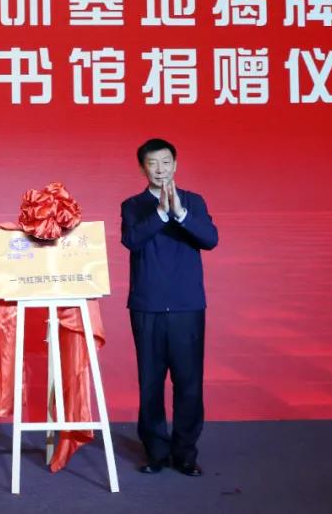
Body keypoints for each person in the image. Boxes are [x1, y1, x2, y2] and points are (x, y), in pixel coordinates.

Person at [121, 138, 219, 477]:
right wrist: (161, 213)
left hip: (186, 306)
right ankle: (156, 451)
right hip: (146, 306)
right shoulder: (133, 205)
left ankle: (185, 452)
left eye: (166, 162)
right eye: (152, 163)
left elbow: (210, 239)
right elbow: (132, 240)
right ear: (142, 168)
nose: (160, 169)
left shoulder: (193, 201)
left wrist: (179, 213)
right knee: (150, 383)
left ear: (175, 165)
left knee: (189, 382)